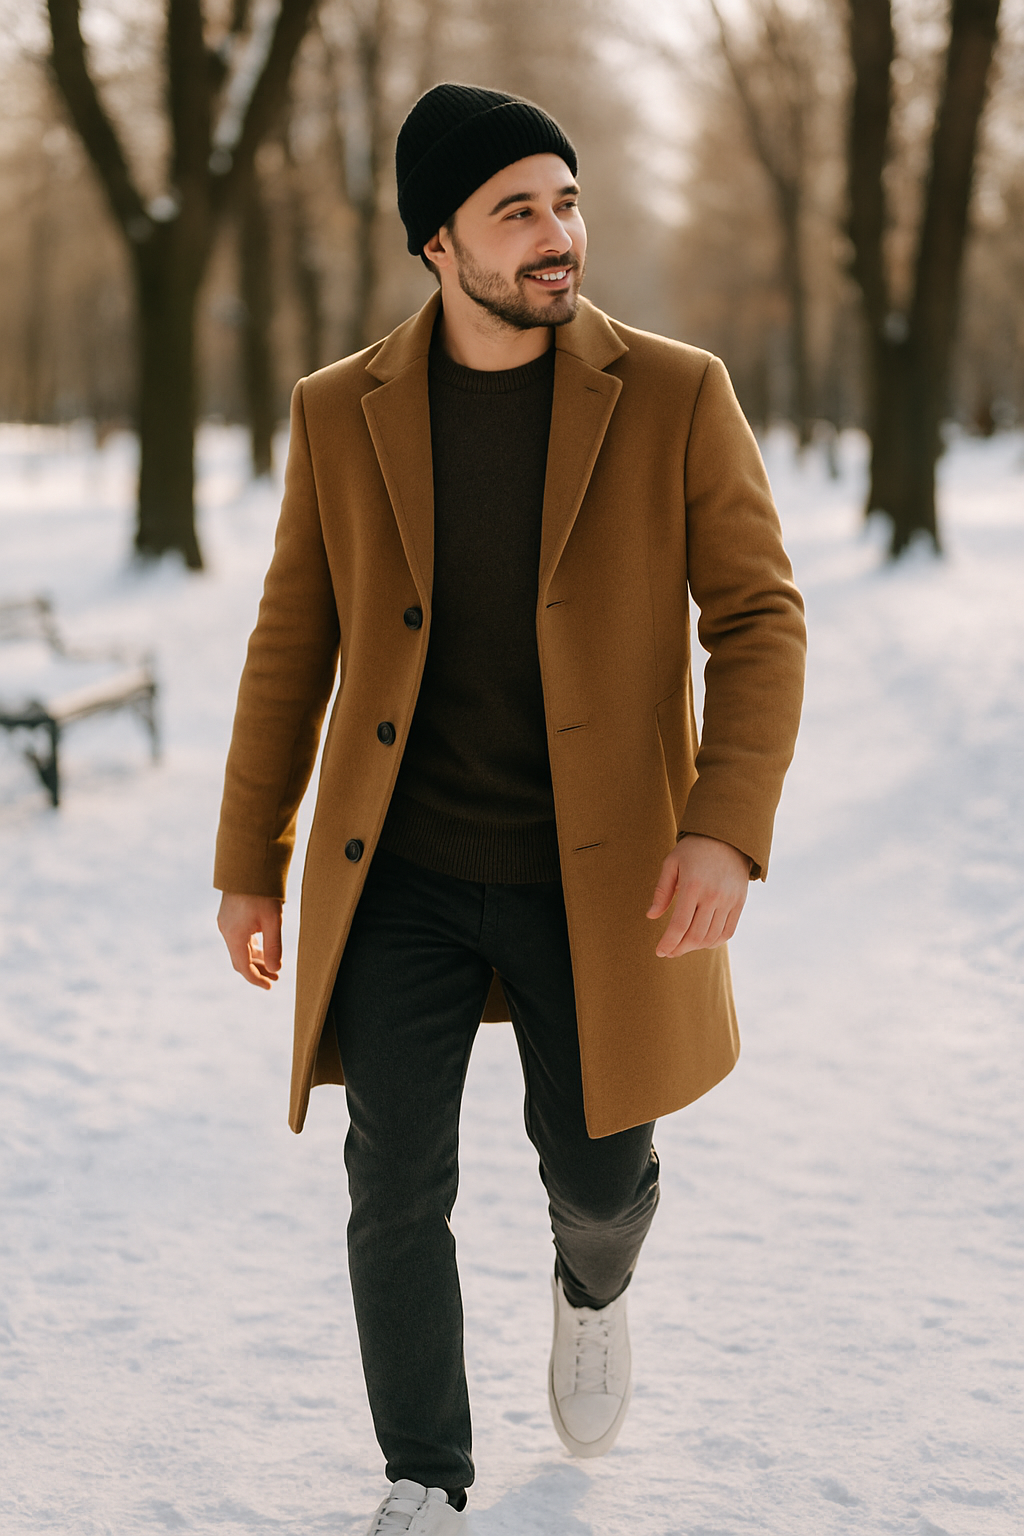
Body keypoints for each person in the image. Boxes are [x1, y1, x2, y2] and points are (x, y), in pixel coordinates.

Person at [214, 83, 806, 1536]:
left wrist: (723, 825)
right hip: (400, 870)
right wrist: (250, 861)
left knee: (599, 1181)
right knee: (392, 1184)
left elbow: (758, 617)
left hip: (597, 875)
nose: (558, 235)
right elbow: (292, 642)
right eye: (517, 211)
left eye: (567, 201)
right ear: (439, 243)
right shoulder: (339, 410)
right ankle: (426, 1475)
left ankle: (591, 1285)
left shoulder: (674, 393)